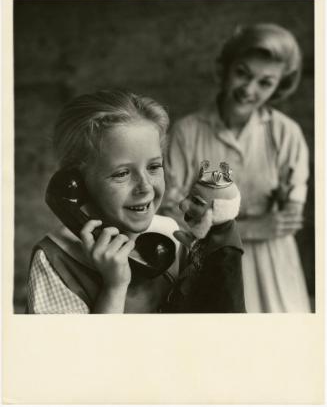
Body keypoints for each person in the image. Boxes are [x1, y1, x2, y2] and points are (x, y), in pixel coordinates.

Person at [161, 23, 311, 312]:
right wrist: (253, 227)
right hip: (212, 261)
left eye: (265, 82)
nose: (249, 89)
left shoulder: (285, 133)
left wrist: (219, 222)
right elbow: (171, 214)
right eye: (242, 73)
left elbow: (287, 220)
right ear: (224, 68)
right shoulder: (187, 132)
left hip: (273, 264)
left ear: (279, 85)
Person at [26, 89, 180, 314]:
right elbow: (70, 350)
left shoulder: (173, 237)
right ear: (77, 182)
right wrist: (114, 288)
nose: (146, 187)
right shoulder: (54, 260)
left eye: (154, 167)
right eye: (122, 174)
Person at [164, 161, 246, 313]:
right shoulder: (209, 234)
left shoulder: (226, 255)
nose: (183, 205)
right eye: (188, 196)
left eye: (196, 202)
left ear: (218, 210)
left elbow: (230, 307)